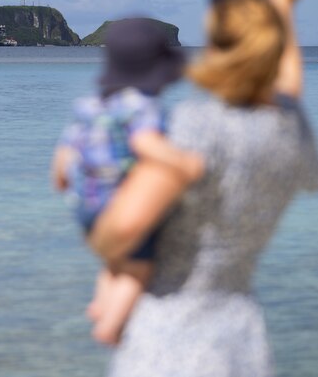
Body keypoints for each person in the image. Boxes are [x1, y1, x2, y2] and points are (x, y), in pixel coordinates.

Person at [88, 0, 318, 376]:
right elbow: (289, 89)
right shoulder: (289, 130)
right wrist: (282, 5)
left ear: (215, 47)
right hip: (242, 341)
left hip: (167, 341)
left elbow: (123, 228)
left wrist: (97, 230)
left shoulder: (196, 128)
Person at [51, 18, 204, 346]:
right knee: (137, 269)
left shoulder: (89, 107)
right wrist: (187, 164)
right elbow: (145, 144)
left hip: (84, 205)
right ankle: (112, 325)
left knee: (115, 262)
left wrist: (69, 188)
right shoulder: (144, 106)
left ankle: (99, 305)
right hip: (118, 205)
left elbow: (61, 165)